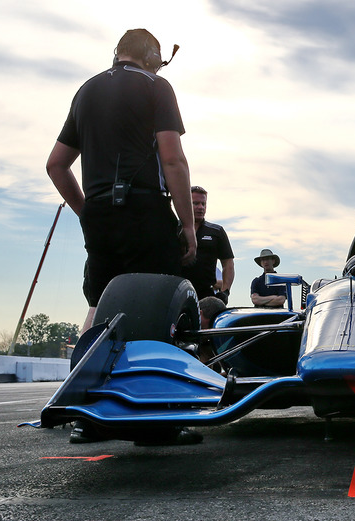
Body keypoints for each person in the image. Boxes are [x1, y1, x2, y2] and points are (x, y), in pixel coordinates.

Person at [46, 29, 199, 446]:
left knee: (99, 304)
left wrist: (87, 212)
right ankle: (160, 418)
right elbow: (172, 158)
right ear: (150, 55)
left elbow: (57, 165)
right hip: (145, 208)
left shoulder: (86, 89)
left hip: (99, 212)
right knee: (163, 304)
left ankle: (87, 416)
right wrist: (187, 224)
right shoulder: (157, 87)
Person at [181, 186, 235, 300]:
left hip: (206, 294)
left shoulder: (216, 231)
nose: (200, 207)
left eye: (203, 204)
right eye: (195, 203)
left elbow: (228, 263)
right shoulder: (173, 229)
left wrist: (225, 291)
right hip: (178, 291)